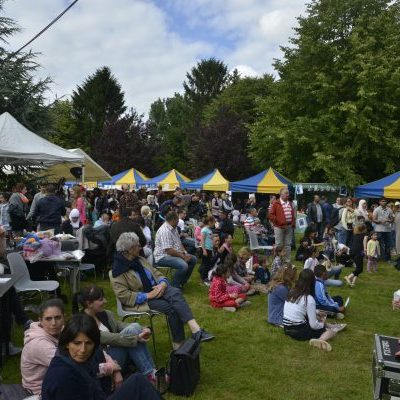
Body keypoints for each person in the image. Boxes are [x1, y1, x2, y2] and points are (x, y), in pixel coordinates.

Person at [110, 232, 214, 349]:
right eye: (137, 246)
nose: (140, 247)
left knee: (175, 292)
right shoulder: (117, 271)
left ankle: (195, 331)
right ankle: (179, 344)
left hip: (157, 290)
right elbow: (124, 296)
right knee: (172, 308)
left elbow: (157, 273)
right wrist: (148, 295)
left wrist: (163, 283)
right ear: (128, 250)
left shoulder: (139, 260)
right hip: (142, 300)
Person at [41, 314, 162, 400]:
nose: (83, 350)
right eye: (77, 343)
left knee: (137, 381)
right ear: (67, 343)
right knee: (138, 383)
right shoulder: (63, 375)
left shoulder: (85, 357)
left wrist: (115, 371)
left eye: (88, 343)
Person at [73, 285, 160, 384]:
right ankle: (150, 374)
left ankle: (153, 373)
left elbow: (120, 325)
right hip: (104, 361)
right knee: (131, 332)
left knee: (134, 326)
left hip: (116, 353)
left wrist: (143, 329)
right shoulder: (82, 322)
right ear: (89, 304)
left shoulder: (104, 314)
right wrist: (135, 338)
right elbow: (108, 338)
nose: (105, 301)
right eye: (101, 300)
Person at [283, 269, 345, 351]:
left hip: (287, 328)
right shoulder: (308, 298)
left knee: (317, 318)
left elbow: (300, 310)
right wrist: (322, 324)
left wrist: (317, 313)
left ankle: (330, 325)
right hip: (298, 331)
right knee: (331, 332)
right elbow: (313, 325)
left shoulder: (291, 292)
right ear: (312, 283)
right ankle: (320, 340)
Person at [21, 299, 65, 395]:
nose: (53, 323)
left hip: (55, 382)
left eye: (57, 317)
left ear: (63, 317)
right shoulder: (39, 344)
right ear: (40, 320)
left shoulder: (61, 329)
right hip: (40, 392)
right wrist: (105, 368)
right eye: (48, 319)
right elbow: (70, 367)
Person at [153, 211, 196, 288]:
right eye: (177, 220)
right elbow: (169, 250)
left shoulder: (174, 228)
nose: (178, 222)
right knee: (183, 265)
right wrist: (183, 256)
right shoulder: (165, 231)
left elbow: (179, 243)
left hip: (172, 254)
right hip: (162, 257)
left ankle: (182, 282)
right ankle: (175, 287)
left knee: (193, 259)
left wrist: (185, 253)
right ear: (173, 220)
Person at [269, 187, 295, 262]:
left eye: (288, 193)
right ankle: (277, 260)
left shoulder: (290, 203)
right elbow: (271, 215)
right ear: (281, 194)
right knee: (279, 244)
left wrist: (293, 223)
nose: (288, 195)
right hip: (279, 227)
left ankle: (287, 260)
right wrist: (278, 221)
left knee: (288, 244)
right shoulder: (276, 203)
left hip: (289, 226)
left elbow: (293, 214)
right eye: (286, 193)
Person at [199, 216, 215, 284]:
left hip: (209, 249)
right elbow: (202, 241)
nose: (214, 223)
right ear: (209, 222)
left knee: (207, 264)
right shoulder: (204, 230)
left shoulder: (209, 230)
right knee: (205, 264)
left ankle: (205, 277)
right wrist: (204, 250)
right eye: (213, 222)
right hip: (206, 249)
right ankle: (202, 279)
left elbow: (210, 238)